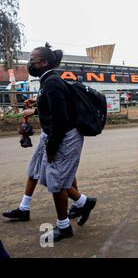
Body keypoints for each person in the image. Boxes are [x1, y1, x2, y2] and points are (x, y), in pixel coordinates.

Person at [3, 43, 96, 242]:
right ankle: (81, 203)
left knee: (56, 182)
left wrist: (53, 146)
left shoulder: (52, 81)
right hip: (56, 133)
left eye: (32, 61)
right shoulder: (49, 80)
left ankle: (67, 223)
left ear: (44, 63)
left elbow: (61, 117)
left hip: (63, 136)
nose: (29, 64)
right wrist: (37, 104)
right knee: (51, 175)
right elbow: (56, 105)